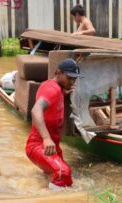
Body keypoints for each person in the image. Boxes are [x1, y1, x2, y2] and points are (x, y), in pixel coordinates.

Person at [25, 59, 82, 190]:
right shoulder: (52, 89)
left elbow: (54, 95)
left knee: (61, 175)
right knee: (63, 173)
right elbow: (36, 109)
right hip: (39, 144)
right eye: (69, 78)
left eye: (75, 79)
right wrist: (46, 138)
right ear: (58, 72)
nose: (72, 82)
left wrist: (64, 93)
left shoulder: (56, 88)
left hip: (52, 145)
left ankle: (47, 189)